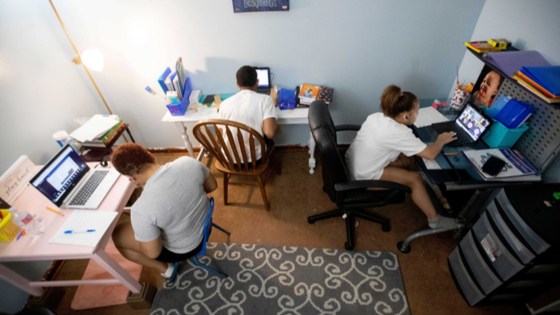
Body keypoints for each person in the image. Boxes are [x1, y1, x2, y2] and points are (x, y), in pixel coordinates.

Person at [345, 85, 461, 229]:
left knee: (408, 161)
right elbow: (430, 154)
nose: (417, 115)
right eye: (416, 113)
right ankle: (435, 220)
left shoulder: (376, 117)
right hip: (362, 176)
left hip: (350, 162)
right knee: (415, 179)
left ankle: (426, 191)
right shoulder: (400, 133)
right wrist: (441, 140)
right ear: (406, 116)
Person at [110, 143, 218, 279]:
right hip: (203, 224)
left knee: (117, 235)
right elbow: (212, 185)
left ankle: (166, 269)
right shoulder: (189, 162)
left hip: (186, 248)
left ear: (131, 177)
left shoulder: (141, 209)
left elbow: (153, 253)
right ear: (151, 156)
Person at [218, 65, 277, 163]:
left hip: (229, 160)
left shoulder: (224, 104)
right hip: (255, 160)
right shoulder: (266, 100)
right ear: (257, 82)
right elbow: (270, 134)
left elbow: (218, 139)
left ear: (237, 84)